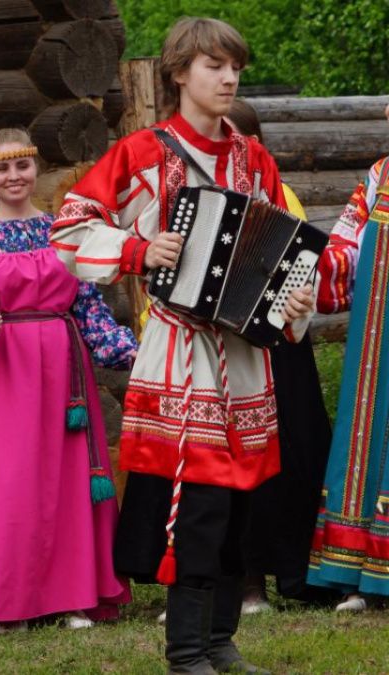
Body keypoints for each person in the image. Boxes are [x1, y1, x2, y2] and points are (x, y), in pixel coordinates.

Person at [51, 18, 315, 674]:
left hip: (246, 355)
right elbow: (68, 227)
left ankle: (221, 637)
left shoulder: (254, 159)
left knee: (239, 501)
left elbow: (280, 248)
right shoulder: (144, 152)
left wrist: (294, 299)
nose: (228, 79)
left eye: (234, 69)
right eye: (213, 67)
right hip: (181, 350)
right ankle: (186, 649)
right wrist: (140, 249)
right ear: (178, 75)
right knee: (195, 501)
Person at [0, 128, 135, 633]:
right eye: (2, 168)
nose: (13, 177)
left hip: (65, 371)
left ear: (35, 170)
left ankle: (73, 597)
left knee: (67, 481)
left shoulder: (62, 232)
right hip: (7, 370)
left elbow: (89, 305)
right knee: (13, 483)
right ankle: (12, 606)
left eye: (22, 166)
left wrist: (135, 353)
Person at [224, 99, 336, 613]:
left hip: (280, 348)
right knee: (231, 460)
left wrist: (290, 309)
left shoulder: (281, 194)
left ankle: (297, 573)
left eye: (242, 140)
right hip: (219, 347)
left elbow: (302, 268)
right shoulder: (195, 196)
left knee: (292, 453)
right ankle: (244, 580)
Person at [307, 101, 389, 613]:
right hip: (378, 338)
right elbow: (345, 244)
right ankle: (358, 570)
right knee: (367, 437)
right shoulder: (380, 174)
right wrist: (302, 269)